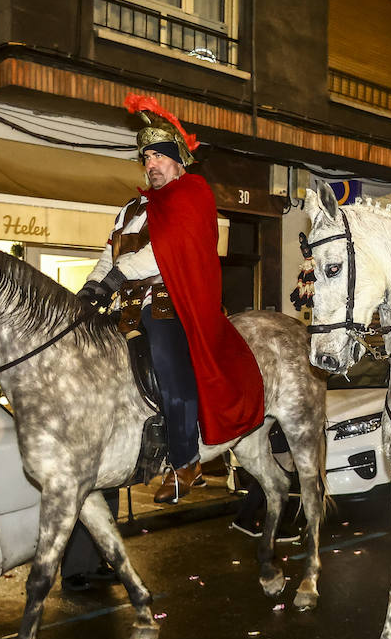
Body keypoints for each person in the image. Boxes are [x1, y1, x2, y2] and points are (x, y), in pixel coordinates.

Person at [77, 94, 265, 504]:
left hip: (167, 303)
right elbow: (108, 253)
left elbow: (169, 250)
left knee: (167, 367)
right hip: (125, 307)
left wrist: (117, 275)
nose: (150, 165)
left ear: (177, 159)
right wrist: (91, 287)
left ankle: (186, 462)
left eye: (158, 157)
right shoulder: (133, 209)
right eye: (145, 160)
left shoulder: (191, 194)